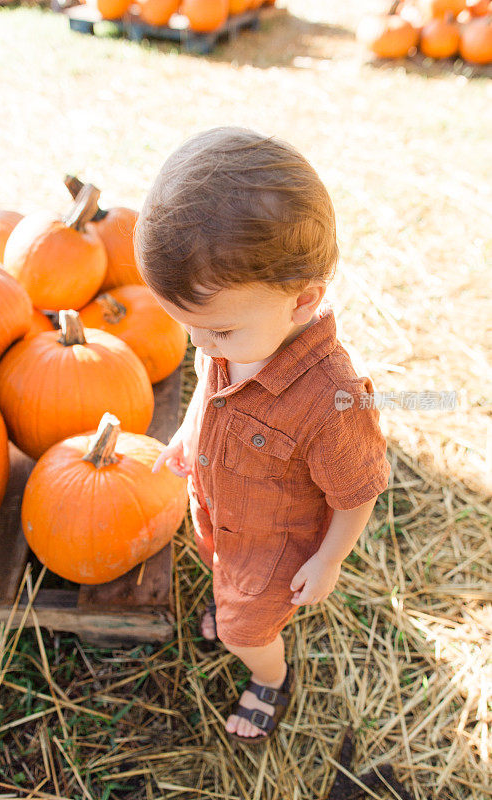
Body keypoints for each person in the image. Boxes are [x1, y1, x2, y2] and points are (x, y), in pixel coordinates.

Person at [134, 126, 391, 745]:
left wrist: (330, 559)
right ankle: (234, 607)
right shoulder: (236, 334)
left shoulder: (332, 402)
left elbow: (357, 491)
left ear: (303, 300)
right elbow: (207, 382)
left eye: (215, 331)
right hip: (223, 512)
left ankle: (269, 676)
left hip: (278, 548)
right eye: (184, 325)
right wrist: (192, 433)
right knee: (222, 574)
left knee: (246, 632)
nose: (200, 343)